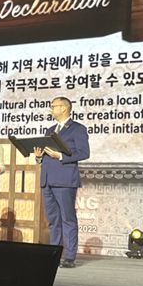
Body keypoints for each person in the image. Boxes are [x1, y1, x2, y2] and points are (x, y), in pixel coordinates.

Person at [34, 97, 90, 269]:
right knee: (53, 220)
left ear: (64, 108)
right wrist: (39, 157)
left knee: (67, 219)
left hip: (65, 180)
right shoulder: (50, 130)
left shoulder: (77, 129)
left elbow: (84, 153)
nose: (51, 109)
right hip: (48, 179)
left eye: (53, 106)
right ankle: (54, 254)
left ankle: (69, 257)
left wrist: (61, 156)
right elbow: (45, 155)